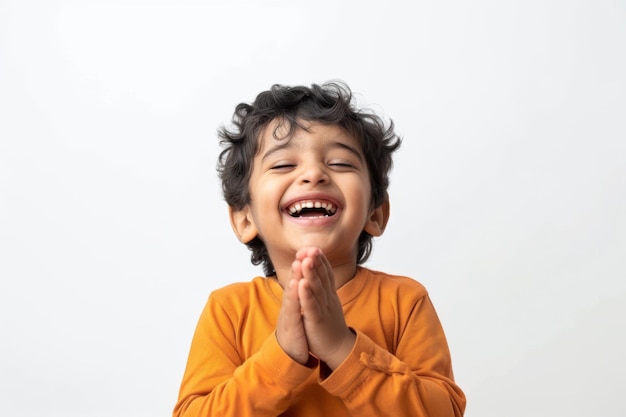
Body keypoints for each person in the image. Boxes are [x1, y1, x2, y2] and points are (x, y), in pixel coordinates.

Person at [173, 81, 466, 417]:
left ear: (375, 212)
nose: (314, 174)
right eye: (283, 165)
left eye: (340, 163)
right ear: (244, 218)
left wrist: (342, 347)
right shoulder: (228, 311)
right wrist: (281, 355)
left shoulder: (405, 301)